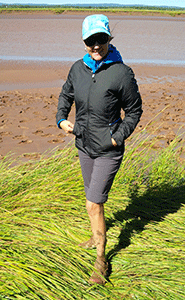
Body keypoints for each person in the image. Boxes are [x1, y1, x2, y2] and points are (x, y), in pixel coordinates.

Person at [56, 14, 142, 285]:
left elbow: (134, 111)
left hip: (108, 149)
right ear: (83, 41)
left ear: (109, 38)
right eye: (91, 40)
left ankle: (102, 260)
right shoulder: (77, 69)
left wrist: (116, 138)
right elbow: (65, 95)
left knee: (94, 203)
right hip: (83, 145)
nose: (96, 45)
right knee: (92, 198)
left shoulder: (121, 72)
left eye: (101, 39)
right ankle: (95, 237)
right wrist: (61, 118)